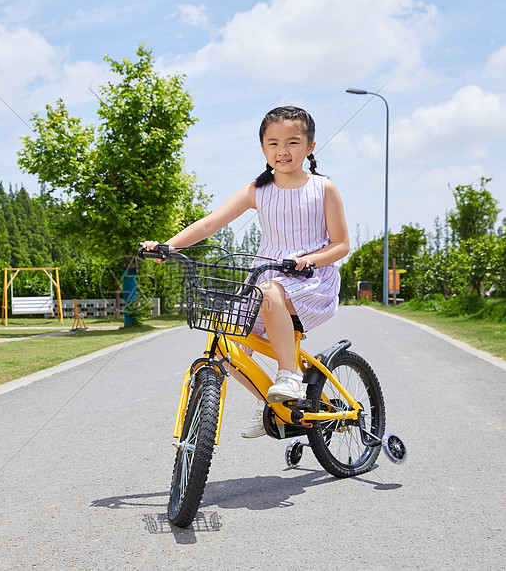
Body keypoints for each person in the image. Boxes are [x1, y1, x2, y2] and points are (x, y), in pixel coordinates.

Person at [142, 106, 350, 438]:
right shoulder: (258, 189)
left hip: (311, 280)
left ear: (310, 147)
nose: (282, 151)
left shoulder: (324, 189)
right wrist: (169, 246)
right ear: (263, 148)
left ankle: (288, 376)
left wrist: (311, 259)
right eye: (273, 143)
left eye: (293, 142)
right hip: (266, 277)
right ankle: (272, 404)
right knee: (227, 341)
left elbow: (341, 245)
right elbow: (212, 222)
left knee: (269, 292)